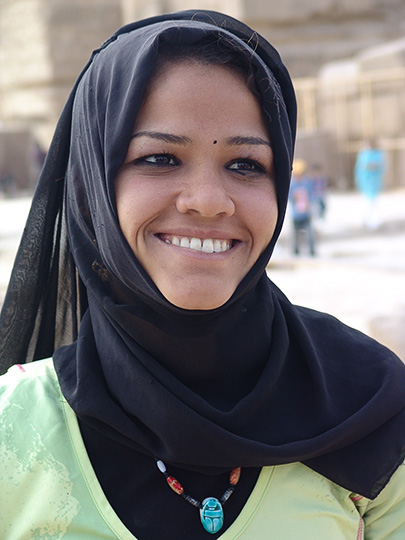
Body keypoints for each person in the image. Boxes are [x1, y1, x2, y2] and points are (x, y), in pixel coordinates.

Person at [0, 10, 404, 539]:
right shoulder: (14, 432)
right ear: (93, 187)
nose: (209, 203)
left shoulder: (370, 408)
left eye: (246, 165)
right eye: (161, 158)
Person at [354, 138, 386, 229]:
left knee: (373, 201)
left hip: (374, 180)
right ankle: (366, 219)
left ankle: (374, 221)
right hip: (365, 180)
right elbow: (360, 167)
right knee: (366, 201)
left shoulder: (378, 154)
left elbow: (381, 166)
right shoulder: (363, 154)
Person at [288, 158, 316, 256]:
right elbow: (289, 197)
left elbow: (311, 195)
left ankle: (312, 250)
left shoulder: (307, 182)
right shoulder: (292, 184)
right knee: (295, 235)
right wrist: (293, 196)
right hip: (296, 214)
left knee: (310, 234)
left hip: (306, 213)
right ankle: (295, 250)